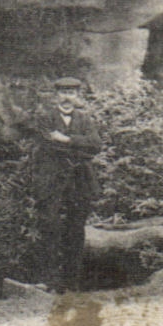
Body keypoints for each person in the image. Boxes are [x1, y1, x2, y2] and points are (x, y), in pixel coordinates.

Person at [26, 77, 105, 292]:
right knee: (48, 226)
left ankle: (72, 282)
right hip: (51, 179)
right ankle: (47, 280)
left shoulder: (85, 119)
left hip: (79, 181)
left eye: (72, 93)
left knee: (75, 228)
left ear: (78, 96)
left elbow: (96, 145)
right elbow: (49, 146)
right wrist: (79, 147)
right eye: (63, 92)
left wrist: (67, 140)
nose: (67, 97)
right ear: (55, 96)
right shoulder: (44, 118)